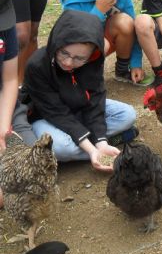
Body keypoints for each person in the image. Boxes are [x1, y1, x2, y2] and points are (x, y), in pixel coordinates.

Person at [23, 10, 137, 172]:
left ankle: (96, 144)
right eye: (64, 53)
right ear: (56, 43)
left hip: (79, 108)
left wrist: (101, 142)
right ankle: (99, 145)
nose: (68, 62)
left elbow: (96, 99)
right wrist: (91, 149)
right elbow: (56, 112)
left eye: (79, 58)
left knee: (127, 114)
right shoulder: (37, 65)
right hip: (47, 117)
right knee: (61, 148)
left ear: (92, 54)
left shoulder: (93, 61)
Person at [0, 0, 36, 209]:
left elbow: (10, 79)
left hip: (6, 108)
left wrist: (4, 128)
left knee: (32, 168)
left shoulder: (5, 27)